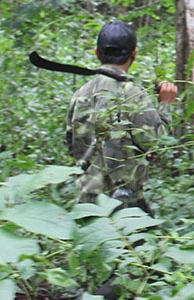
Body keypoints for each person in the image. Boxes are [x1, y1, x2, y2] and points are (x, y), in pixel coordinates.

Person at [66, 21, 178, 214]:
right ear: (133, 54)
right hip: (123, 202)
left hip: (87, 199)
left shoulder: (80, 94)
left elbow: (72, 144)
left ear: (97, 53)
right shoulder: (133, 93)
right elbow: (157, 142)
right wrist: (165, 104)